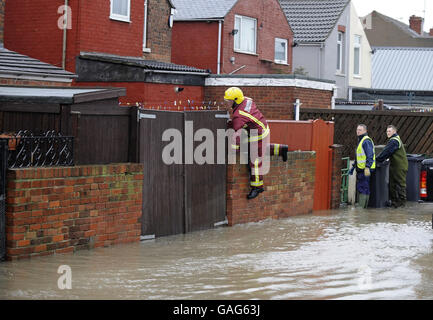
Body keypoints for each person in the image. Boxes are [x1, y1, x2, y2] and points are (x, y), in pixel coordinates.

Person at [223, 87, 288, 200]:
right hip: (259, 128)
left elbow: (236, 134)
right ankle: (281, 149)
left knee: (255, 160)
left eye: (228, 101)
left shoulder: (239, 115)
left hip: (258, 134)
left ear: (236, 100)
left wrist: (233, 150)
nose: (226, 103)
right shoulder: (246, 100)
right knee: (258, 150)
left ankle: (257, 187)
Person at [376, 125, 408, 208]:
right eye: (387, 131)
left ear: (394, 131)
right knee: (392, 184)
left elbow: (386, 152)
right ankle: (395, 203)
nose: (388, 133)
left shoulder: (394, 141)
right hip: (395, 165)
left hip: (399, 166)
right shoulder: (395, 139)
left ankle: (402, 204)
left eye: (389, 131)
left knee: (400, 184)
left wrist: (377, 160)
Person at [349, 124, 376, 208]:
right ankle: (363, 209)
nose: (358, 131)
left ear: (365, 131)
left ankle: (361, 210)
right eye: (357, 130)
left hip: (365, 169)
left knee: (362, 188)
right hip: (362, 169)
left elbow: (370, 155)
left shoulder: (366, 141)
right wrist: (353, 167)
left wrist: (367, 167)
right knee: (365, 188)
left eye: (360, 130)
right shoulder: (361, 140)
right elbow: (360, 157)